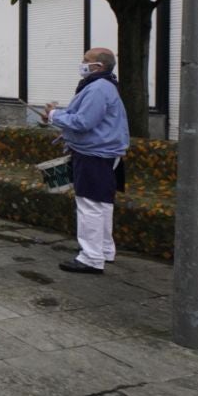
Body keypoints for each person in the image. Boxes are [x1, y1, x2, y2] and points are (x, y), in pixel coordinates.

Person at [43, 47, 130, 275]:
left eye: (86, 60)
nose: (82, 63)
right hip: (105, 153)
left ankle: (90, 258)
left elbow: (83, 122)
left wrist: (54, 115)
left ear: (98, 66)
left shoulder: (98, 88)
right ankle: (104, 250)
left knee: (89, 205)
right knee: (102, 204)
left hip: (93, 154)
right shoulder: (106, 86)